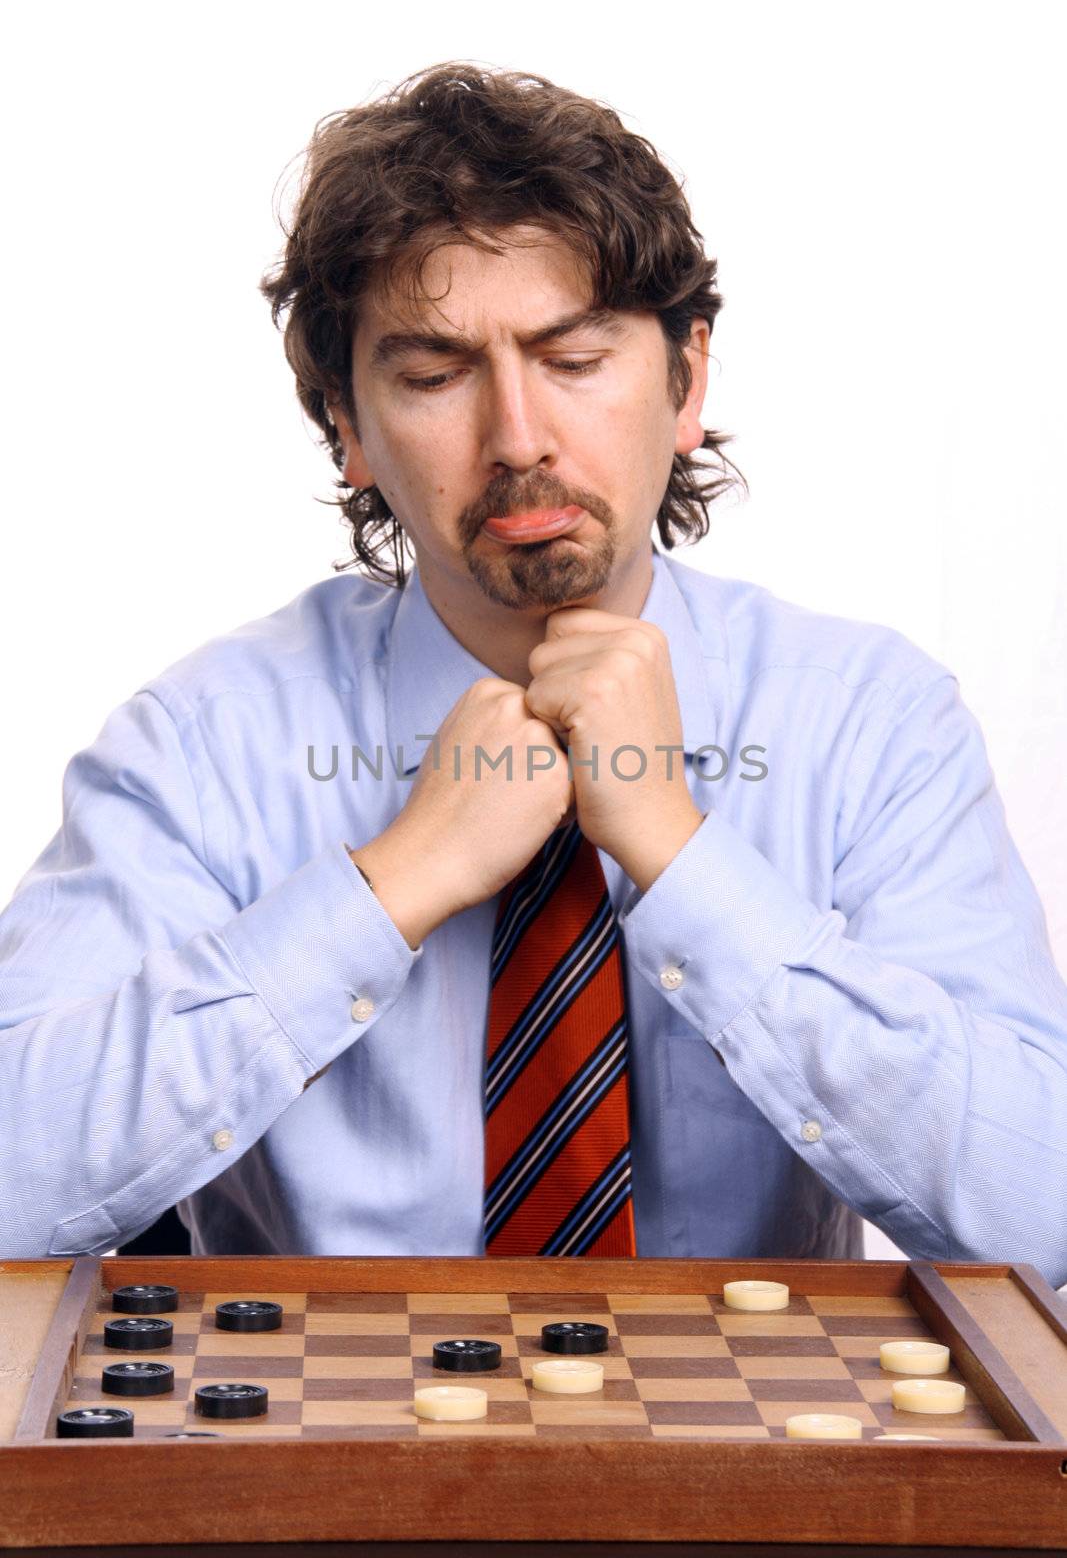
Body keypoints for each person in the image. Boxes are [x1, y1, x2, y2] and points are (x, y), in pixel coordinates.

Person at [2, 63, 1066, 1287]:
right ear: (346, 427)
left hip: (755, 1467)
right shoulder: (202, 746)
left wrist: (678, 853)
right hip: (319, 1462)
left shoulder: (867, 723)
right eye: (433, 375)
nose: (517, 437)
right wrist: (392, 881)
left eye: (572, 357)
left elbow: (1041, 1215)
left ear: (685, 379)